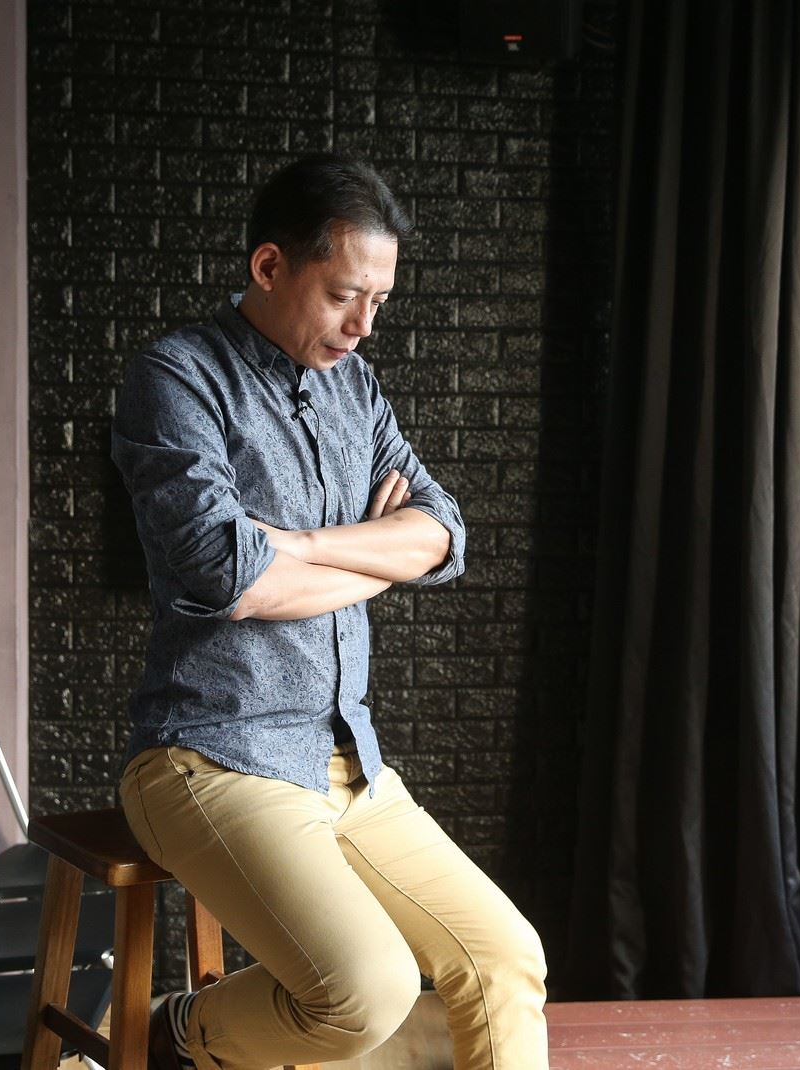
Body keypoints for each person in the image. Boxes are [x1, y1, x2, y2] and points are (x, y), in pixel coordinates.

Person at [110, 154, 549, 1070]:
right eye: (345, 295)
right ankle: (181, 1032)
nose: (363, 325)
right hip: (212, 756)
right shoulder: (177, 376)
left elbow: (442, 535)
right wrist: (372, 555)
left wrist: (303, 544)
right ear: (270, 266)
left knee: (507, 958)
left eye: (379, 301)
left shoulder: (356, 386)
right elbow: (231, 578)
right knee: (368, 991)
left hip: (350, 760)